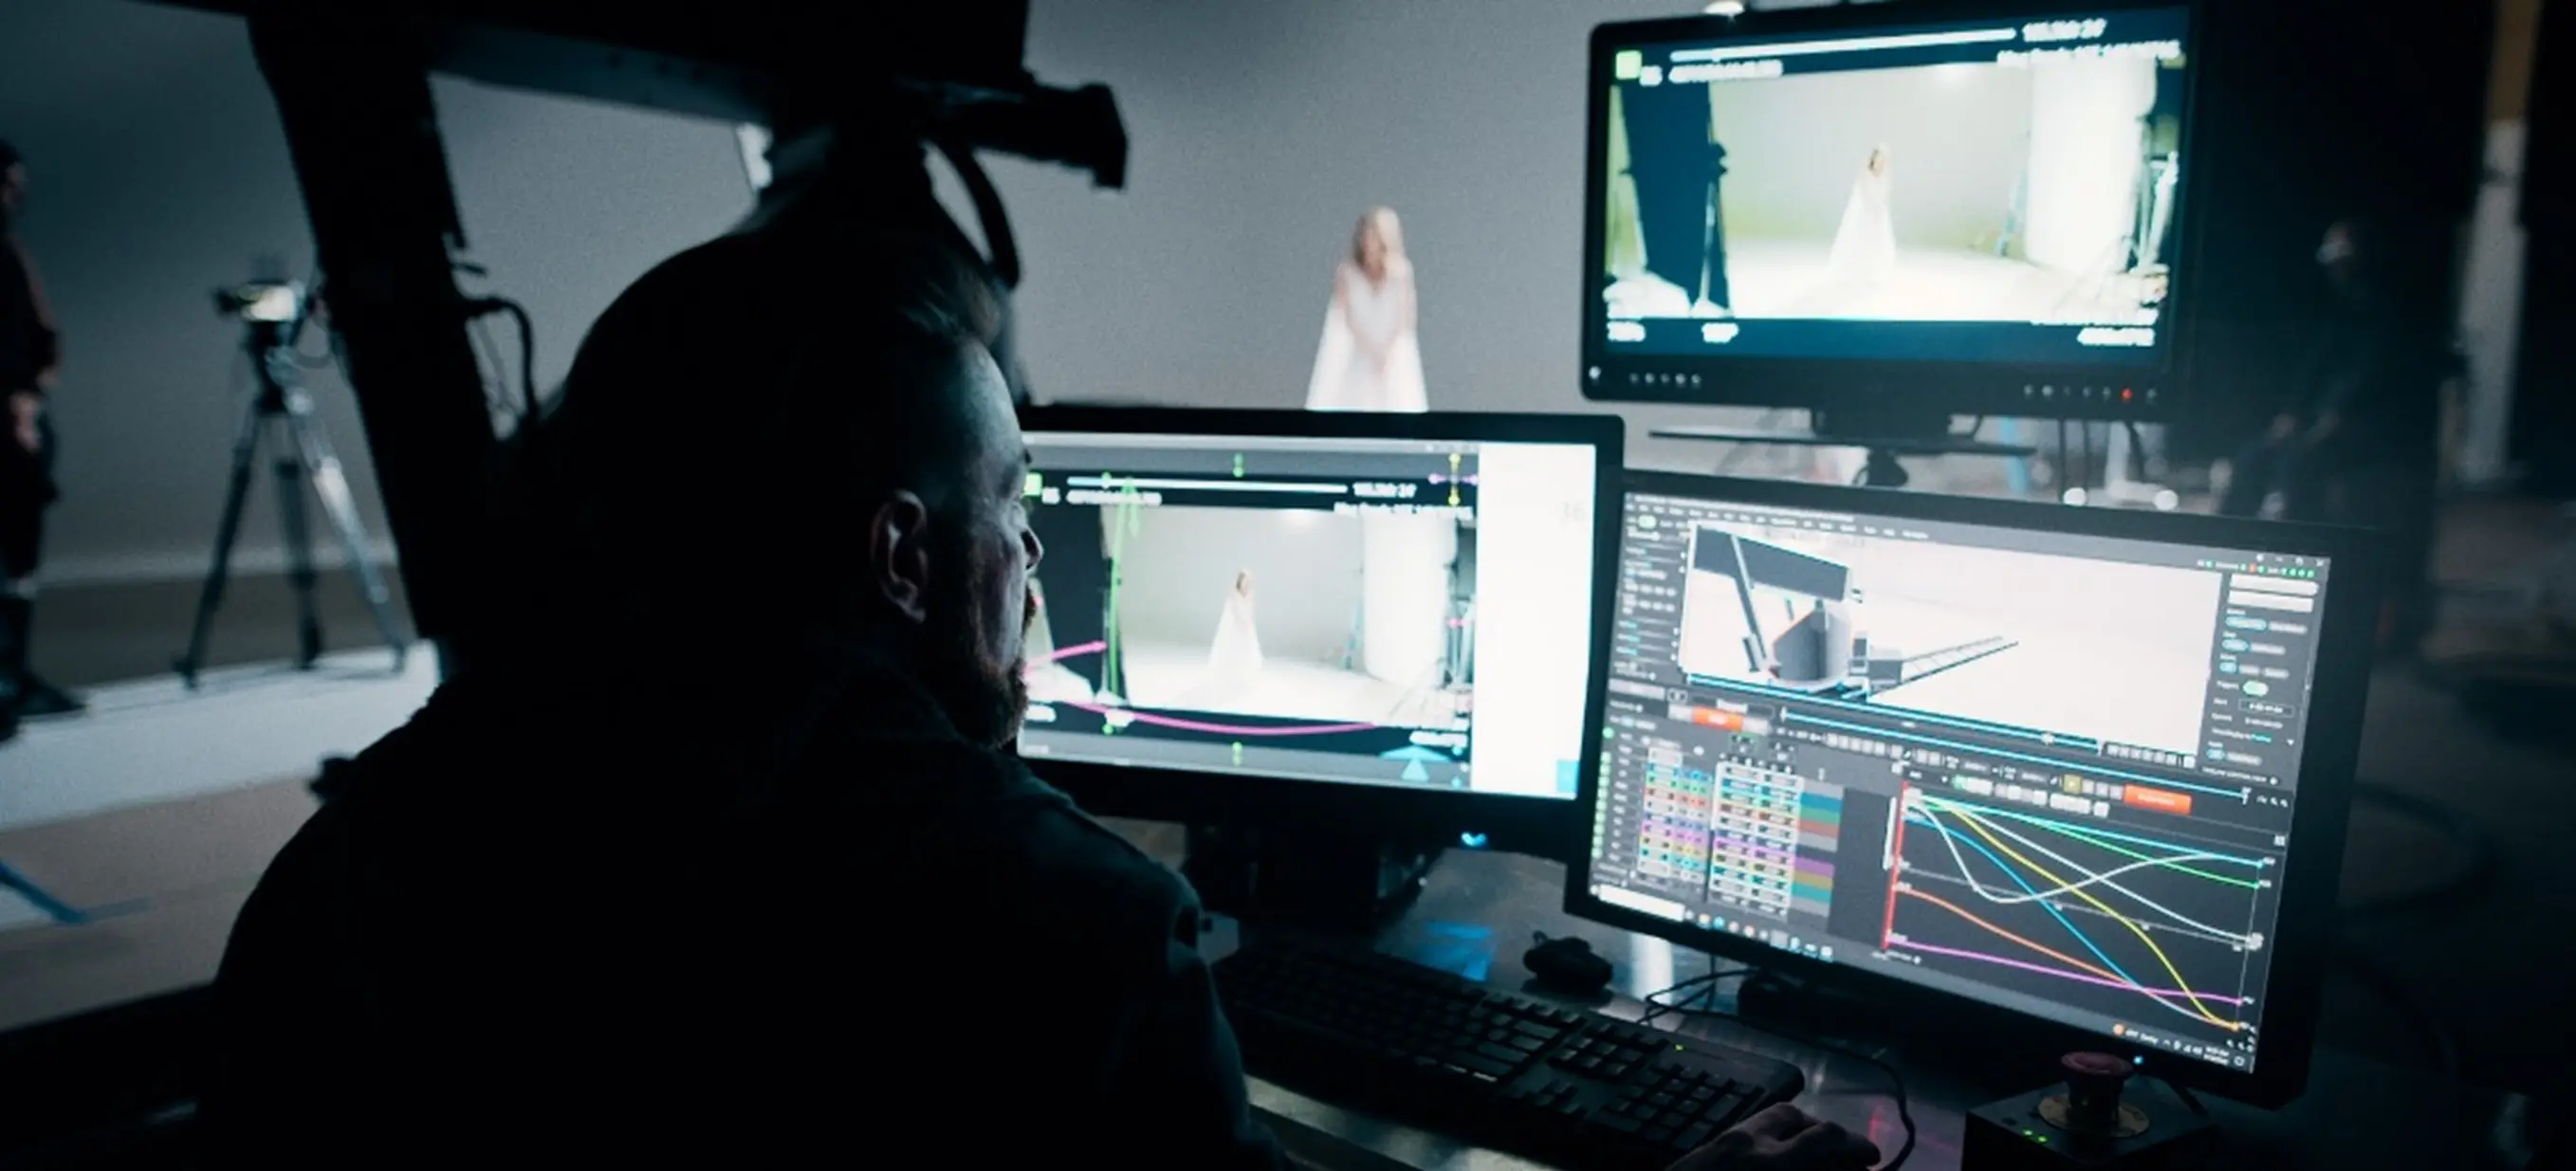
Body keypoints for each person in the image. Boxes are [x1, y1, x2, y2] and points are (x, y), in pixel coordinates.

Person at [204, 222, 1878, 1170]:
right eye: (1023, 519)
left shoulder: (352, 866)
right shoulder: (1054, 922)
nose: (1038, 575)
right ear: (902, 558)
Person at [2217, 216, 2443, 647]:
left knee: (2300, 467)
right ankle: (2225, 553)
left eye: (2341, 253)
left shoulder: (2386, 314)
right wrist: (2290, 415)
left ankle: (2305, 569)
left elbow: (2374, 380)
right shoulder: (2338, 311)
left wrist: (2331, 421)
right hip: (2321, 424)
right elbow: (2313, 370)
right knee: (2251, 459)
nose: (2334, 263)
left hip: (2372, 431)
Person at [0, 138, 83, 741]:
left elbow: (46, 337)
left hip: (23, 429)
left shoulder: (10, 253)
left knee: (22, 560)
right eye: (7, 185)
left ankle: (15, 677)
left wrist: (28, 401)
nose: (16, 198)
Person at [1305, 206, 1427, 412]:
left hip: (1391, 354)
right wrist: (1369, 349)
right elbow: (1345, 316)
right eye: (1366, 236)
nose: (1369, 243)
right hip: (1360, 352)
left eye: (1375, 237)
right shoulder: (1347, 272)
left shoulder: (1401, 271)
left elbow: (1405, 316)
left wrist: (1386, 352)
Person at [1822, 145, 1897, 291]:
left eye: (1883, 160)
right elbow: (1865, 191)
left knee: (1878, 242)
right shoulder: (1866, 172)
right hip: (1867, 213)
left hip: (1878, 214)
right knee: (1864, 240)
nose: (1881, 162)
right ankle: (1859, 273)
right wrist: (1872, 207)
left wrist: (1879, 209)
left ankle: (1875, 273)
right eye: (1879, 158)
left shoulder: (1885, 174)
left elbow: (1884, 193)